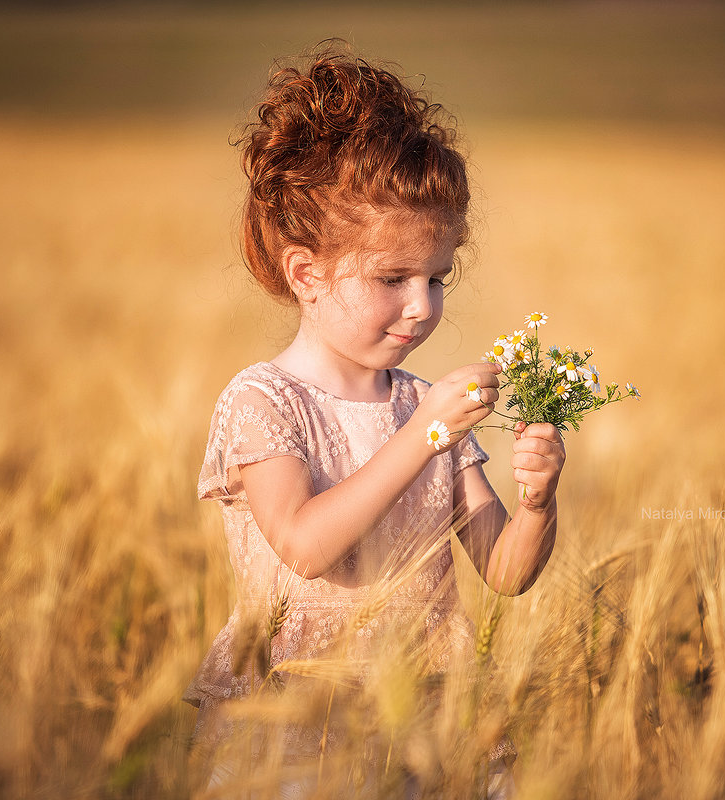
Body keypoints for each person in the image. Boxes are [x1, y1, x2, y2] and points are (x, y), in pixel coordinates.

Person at [185, 41, 565, 796]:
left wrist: (537, 501)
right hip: (294, 719)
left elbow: (505, 572)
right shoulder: (264, 402)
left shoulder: (421, 404)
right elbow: (303, 545)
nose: (423, 306)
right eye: (393, 278)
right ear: (307, 273)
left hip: (424, 717)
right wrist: (424, 435)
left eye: (437, 277)